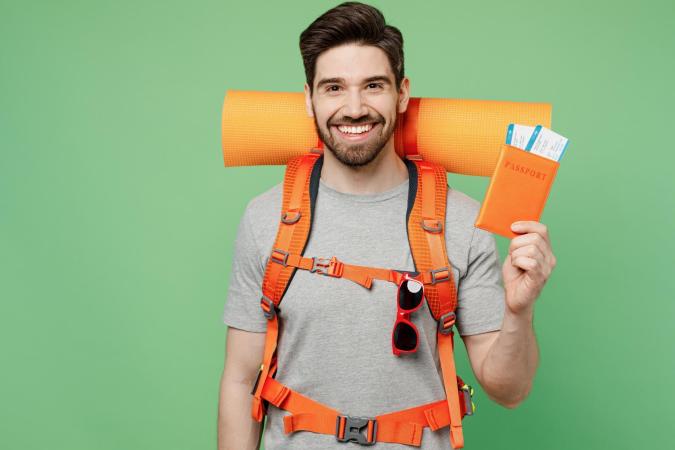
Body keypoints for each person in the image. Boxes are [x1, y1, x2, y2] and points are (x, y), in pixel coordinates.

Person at [217, 2, 556, 449]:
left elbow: (509, 390)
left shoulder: (463, 222)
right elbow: (240, 382)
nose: (354, 108)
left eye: (373, 85)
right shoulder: (266, 218)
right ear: (308, 98)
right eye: (333, 88)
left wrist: (519, 310)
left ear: (401, 93)